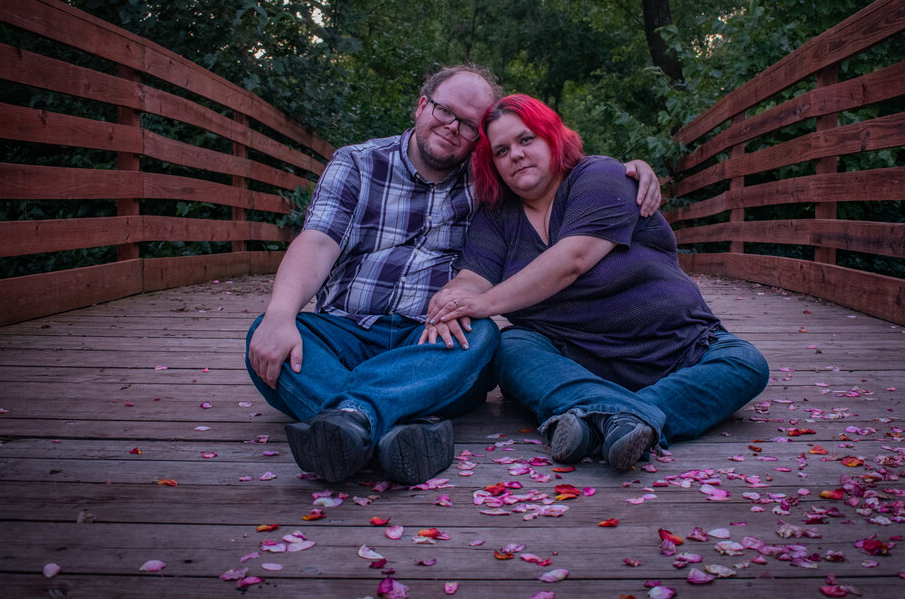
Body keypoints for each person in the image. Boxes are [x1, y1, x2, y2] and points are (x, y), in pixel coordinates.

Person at [246, 67, 663, 485]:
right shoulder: (357, 162)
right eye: (445, 111)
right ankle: (389, 431)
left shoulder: (489, 180)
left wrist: (629, 171)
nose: (452, 127)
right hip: (346, 331)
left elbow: (552, 170)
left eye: (467, 125)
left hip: (432, 341)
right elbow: (317, 242)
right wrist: (280, 314)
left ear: (479, 140)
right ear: (421, 106)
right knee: (267, 336)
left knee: (483, 336)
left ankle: (350, 422)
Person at [422, 94, 769, 471]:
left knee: (745, 363)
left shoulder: (600, 175)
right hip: (575, 357)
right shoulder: (496, 217)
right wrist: (452, 300)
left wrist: (486, 304)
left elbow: (573, 259)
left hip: (677, 345)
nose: (515, 155)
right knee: (510, 347)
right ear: (493, 165)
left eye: (526, 139)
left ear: (552, 138)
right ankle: (622, 421)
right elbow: (473, 278)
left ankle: (597, 419)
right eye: (501, 151)